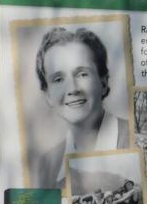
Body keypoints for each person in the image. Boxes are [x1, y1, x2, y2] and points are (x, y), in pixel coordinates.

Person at [33, 26, 129, 188]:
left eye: (82, 74)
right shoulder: (48, 164)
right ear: (48, 95)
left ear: (103, 82)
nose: (73, 89)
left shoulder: (139, 140)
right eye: (58, 79)